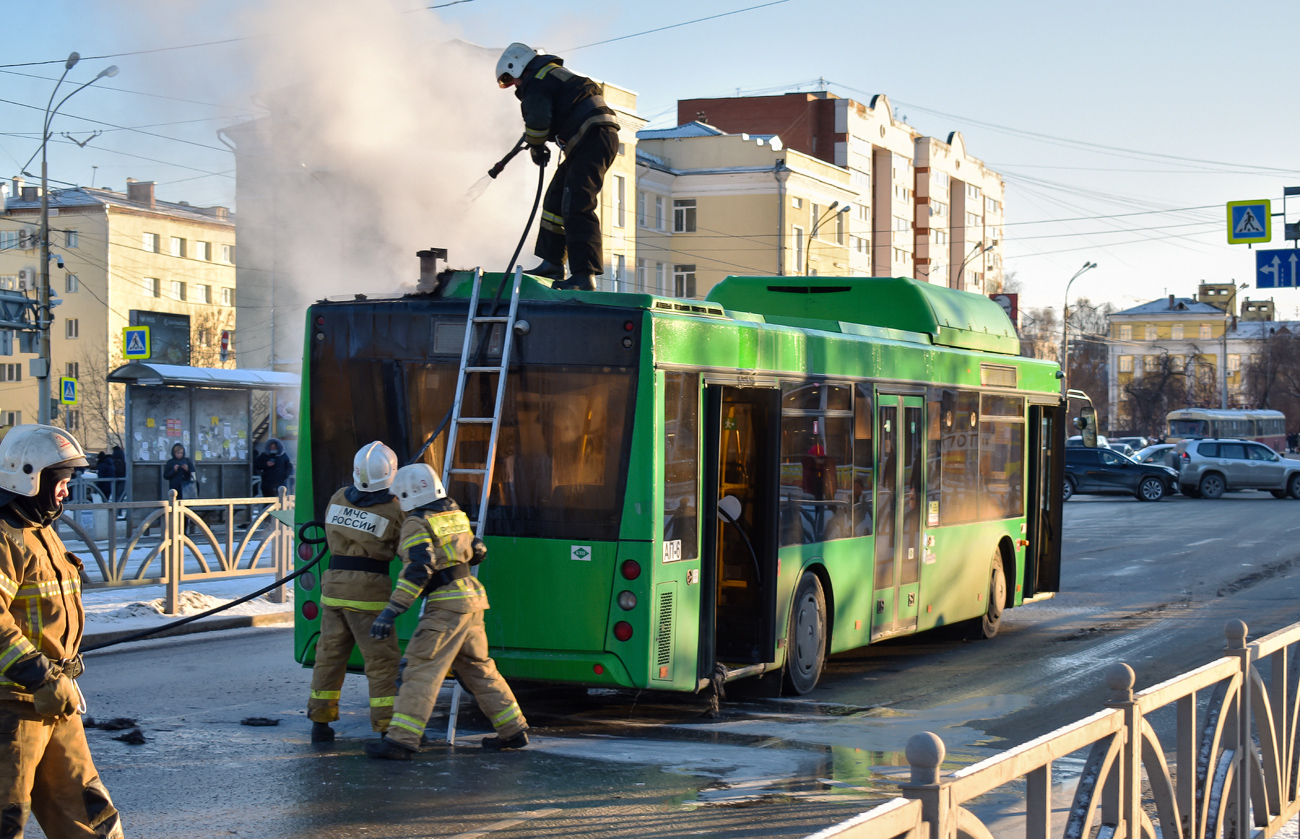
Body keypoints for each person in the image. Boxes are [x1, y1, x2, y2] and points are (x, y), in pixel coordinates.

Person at [0, 424, 124, 837]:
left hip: (54, 698)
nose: (66, 492)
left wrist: (57, 674)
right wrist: (38, 674)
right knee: (6, 818)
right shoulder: (4, 539)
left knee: (89, 814)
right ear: (28, 475)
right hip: (12, 706)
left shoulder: (41, 533)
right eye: (61, 482)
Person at [363, 464, 528, 760]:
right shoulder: (454, 514)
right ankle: (513, 730)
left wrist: (392, 610)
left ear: (408, 494)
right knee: (479, 668)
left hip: (447, 606)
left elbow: (418, 570)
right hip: (472, 599)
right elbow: (478, 550)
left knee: (420, 670)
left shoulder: (416, 523)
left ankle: (400, 742)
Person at [496, 42, 620, 292]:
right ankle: (552, 262)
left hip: (592, 137)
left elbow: (538, 119)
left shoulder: (537, 81)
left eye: (513, 80)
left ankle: (584, 275)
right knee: (555, 201)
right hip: (591, 137)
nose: (515, 87)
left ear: (518, 66)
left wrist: (536, 144)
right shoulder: (551, 75)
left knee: (577, 203)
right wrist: (539, 141)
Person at [307, 442, 406, 743]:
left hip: (333, 591)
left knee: (329, 657)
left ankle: (320, 723)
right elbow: (405, 548)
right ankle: (386, 727)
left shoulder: (338, 497)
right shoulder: (394, 507)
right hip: (368, 595)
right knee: (380, 662)